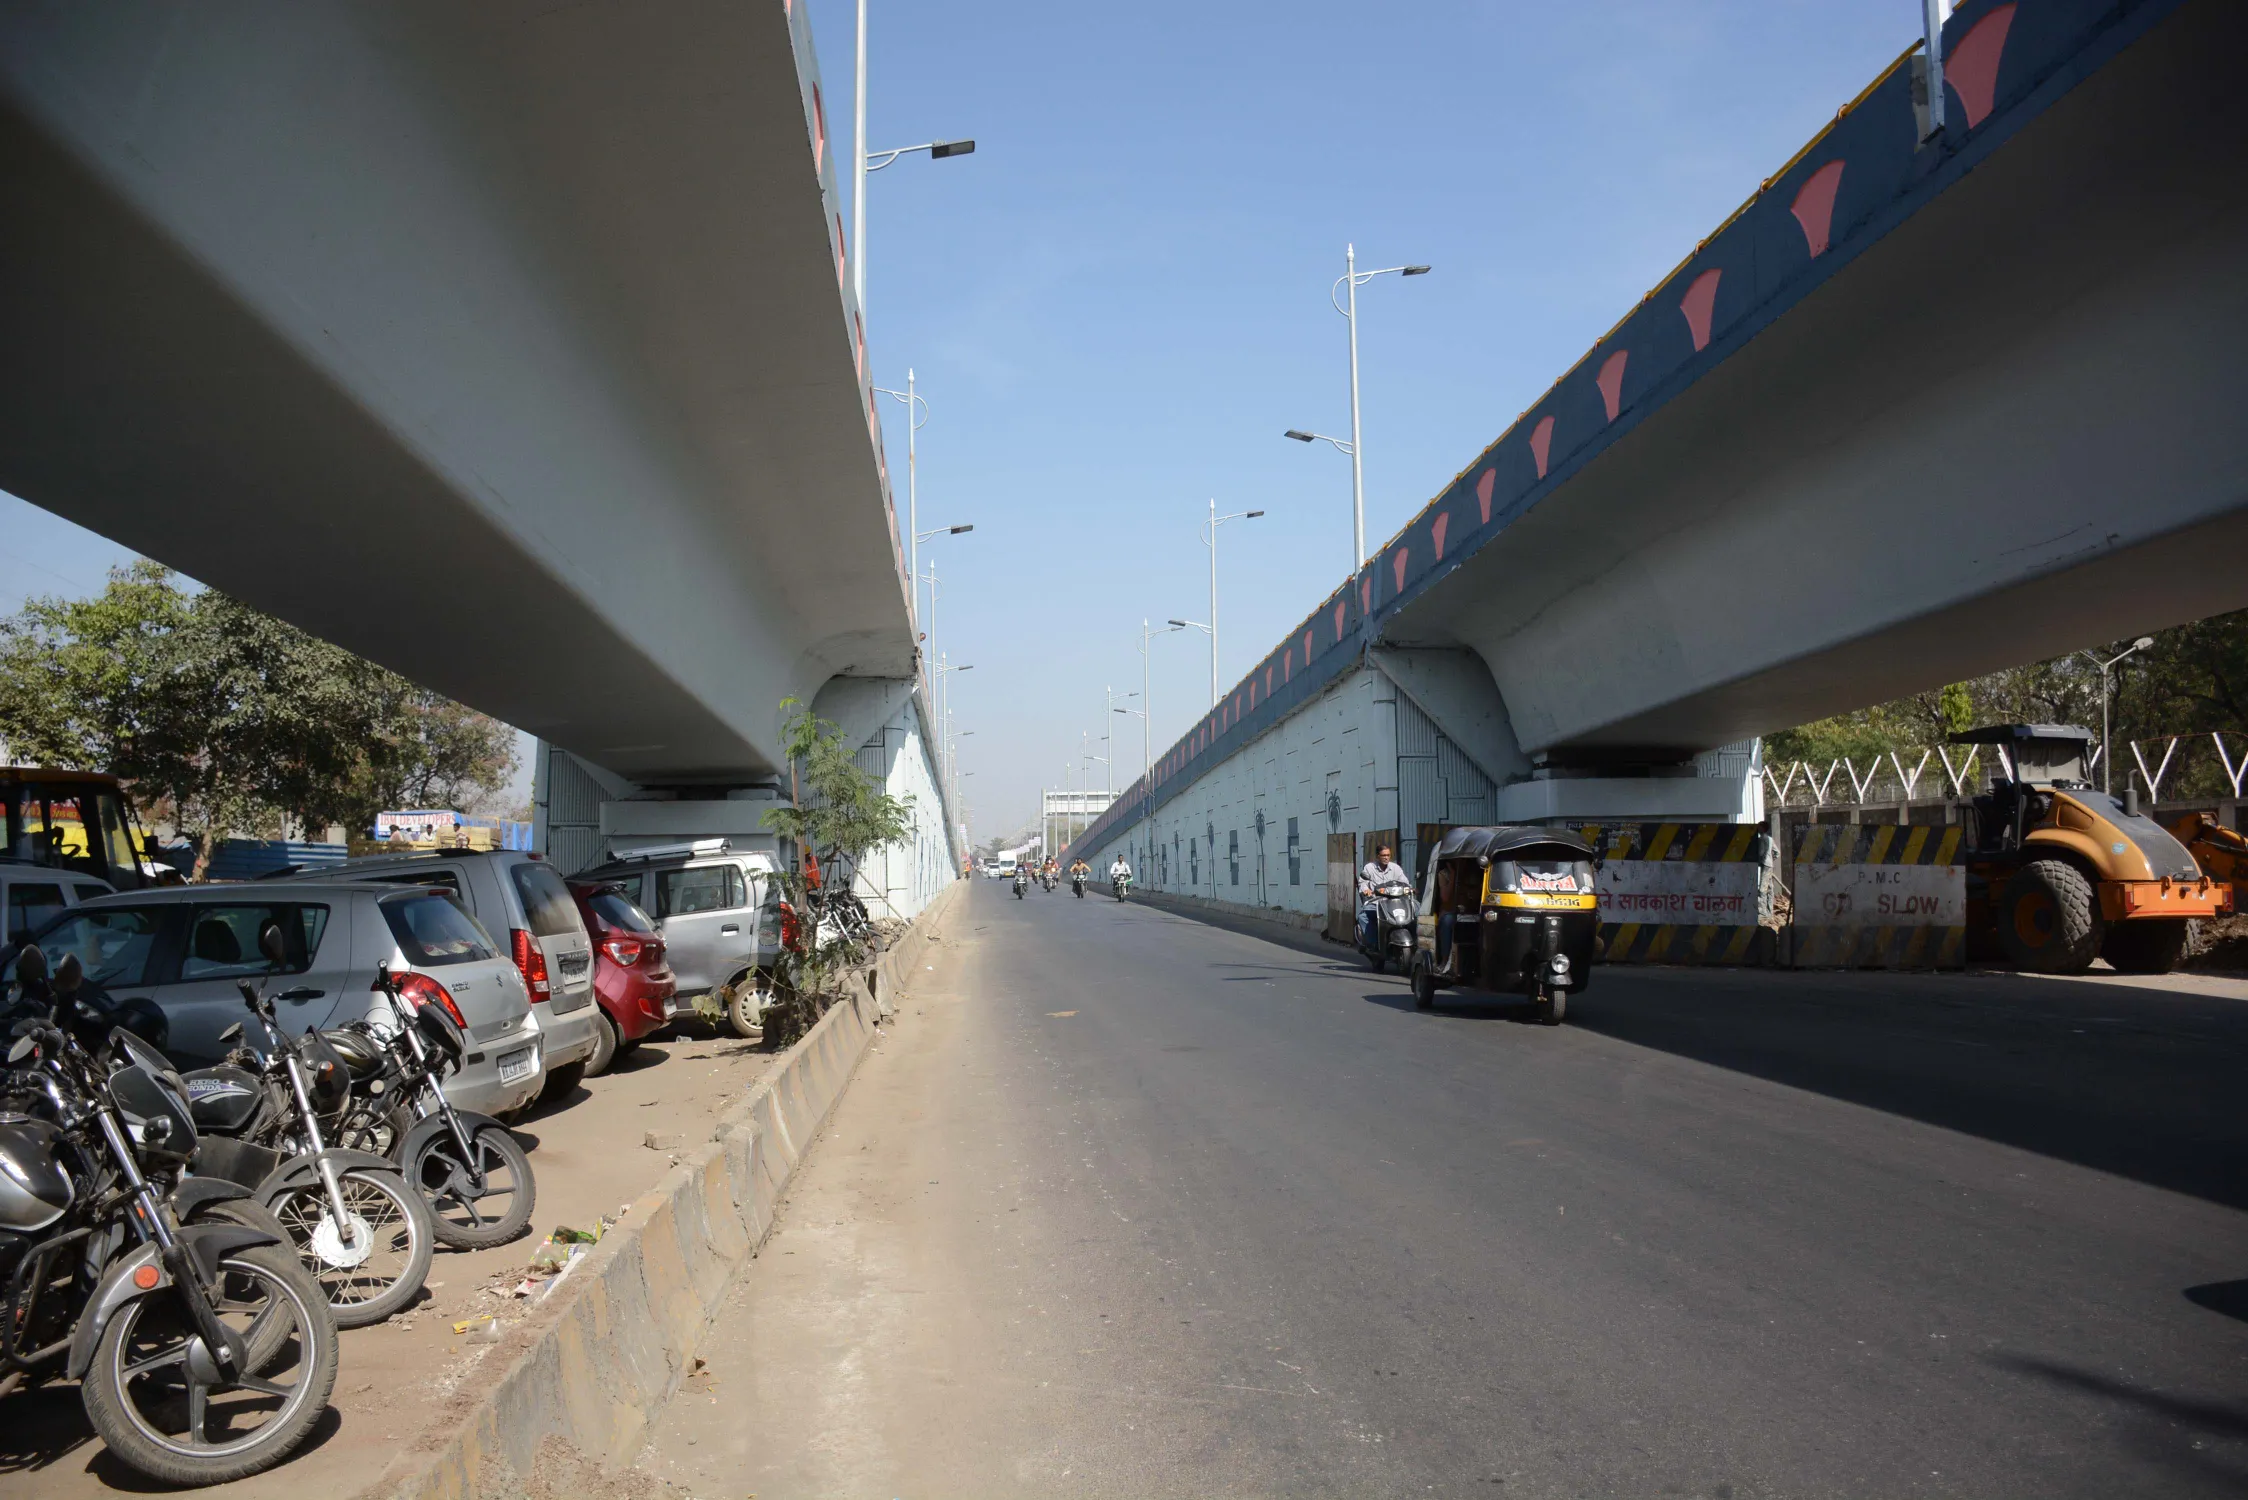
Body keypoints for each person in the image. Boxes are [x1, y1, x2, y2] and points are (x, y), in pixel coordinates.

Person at [1357, 843, 1409, 952]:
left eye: (1388, 855)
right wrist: (1366, 890)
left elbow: (1405, 882)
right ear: (1377, 856)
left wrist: (1409, 889)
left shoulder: (1396, 868)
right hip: (1376, 902)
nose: (1386, 857)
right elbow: (1362, 882)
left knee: (1415, 911)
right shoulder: (1369, 868)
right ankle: (1373, 944)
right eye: (1383, 855)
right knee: (1363, 916)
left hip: (1394, 902)